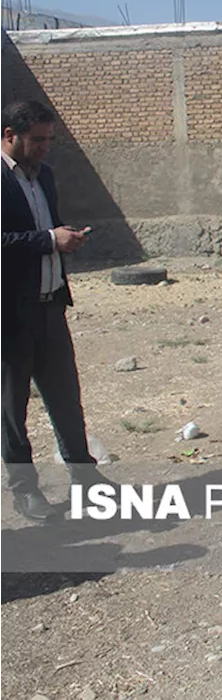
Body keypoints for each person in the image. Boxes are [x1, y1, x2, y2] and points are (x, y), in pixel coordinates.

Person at [0, 100, 106, 521]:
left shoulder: (44, 176)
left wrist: (67, 239)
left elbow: (49, 228)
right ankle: (25, 490)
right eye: (37, 140)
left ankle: (85, 477)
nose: (45, 148)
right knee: (12, 407)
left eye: (49, 139)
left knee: (65, 399)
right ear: (10, 135)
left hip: (51, 305)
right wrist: (48, 240)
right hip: (10, 316)